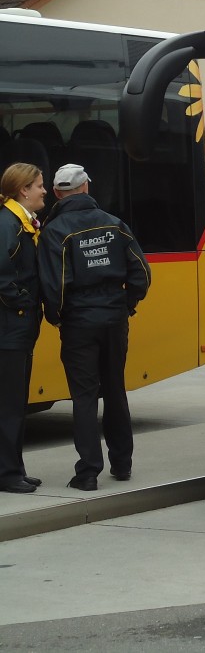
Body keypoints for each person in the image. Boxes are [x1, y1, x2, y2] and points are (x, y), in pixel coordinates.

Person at [38, 164, 150, 492]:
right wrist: (127, 305)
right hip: (114, 320)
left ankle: (87, 473)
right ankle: (123, 463)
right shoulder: (115, 224)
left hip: (79, 324)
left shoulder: (55, 231)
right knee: (115, 388)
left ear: (58, 194)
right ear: (87, 187)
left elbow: (53, 284)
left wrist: (58, 317)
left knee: (84, 397)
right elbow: (141, 273)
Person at [0, 163, 47, 493]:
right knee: (11, 404)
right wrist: (25, 304)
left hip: (17, 326)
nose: (44, 191)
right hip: (10, 328)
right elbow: (3, 276)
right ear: (23, 190)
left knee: (15, 402)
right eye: (39, 185)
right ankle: (7, 474)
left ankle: (14, 468)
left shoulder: (18, 222)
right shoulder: (7, 224)